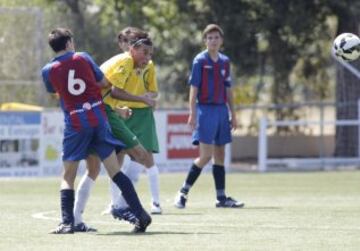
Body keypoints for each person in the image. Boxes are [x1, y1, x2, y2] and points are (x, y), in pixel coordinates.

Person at [41, 27, 151, 234]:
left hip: (75, 123)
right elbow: (103, 83)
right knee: (115, 171)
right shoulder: (82, 57)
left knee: (68, 176)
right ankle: (140, 214)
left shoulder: (48, 70)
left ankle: (67, 223)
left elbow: (54, 90)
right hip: (98, 119)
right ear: (68, 43)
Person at [73, 27, 161, 231]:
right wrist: (141, 99)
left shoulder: (125, 61)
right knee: (140, 154)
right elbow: (115, 90)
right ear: (132, 48)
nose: (147, 58)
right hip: (100, 112)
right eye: (144, 53)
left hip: (94, 110)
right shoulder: (126, 61)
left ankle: (76, 219)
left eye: (150, 54)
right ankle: (120, 206)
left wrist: (117, 109)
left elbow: (105, 90)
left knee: (93, 169)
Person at [174, 24, 245, 209]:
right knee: (205, 156)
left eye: (216, 37)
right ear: (205, 40)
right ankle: (182, 192)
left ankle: (221, 198)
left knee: (220, 155)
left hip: (222, 111)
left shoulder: (225, 61)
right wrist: (192, 112)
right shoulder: (200, 60)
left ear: (221, 40)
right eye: (209, 37)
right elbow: (193, 88)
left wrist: (233, 114)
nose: (213, 40)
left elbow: (229, 90)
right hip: (205, 110)